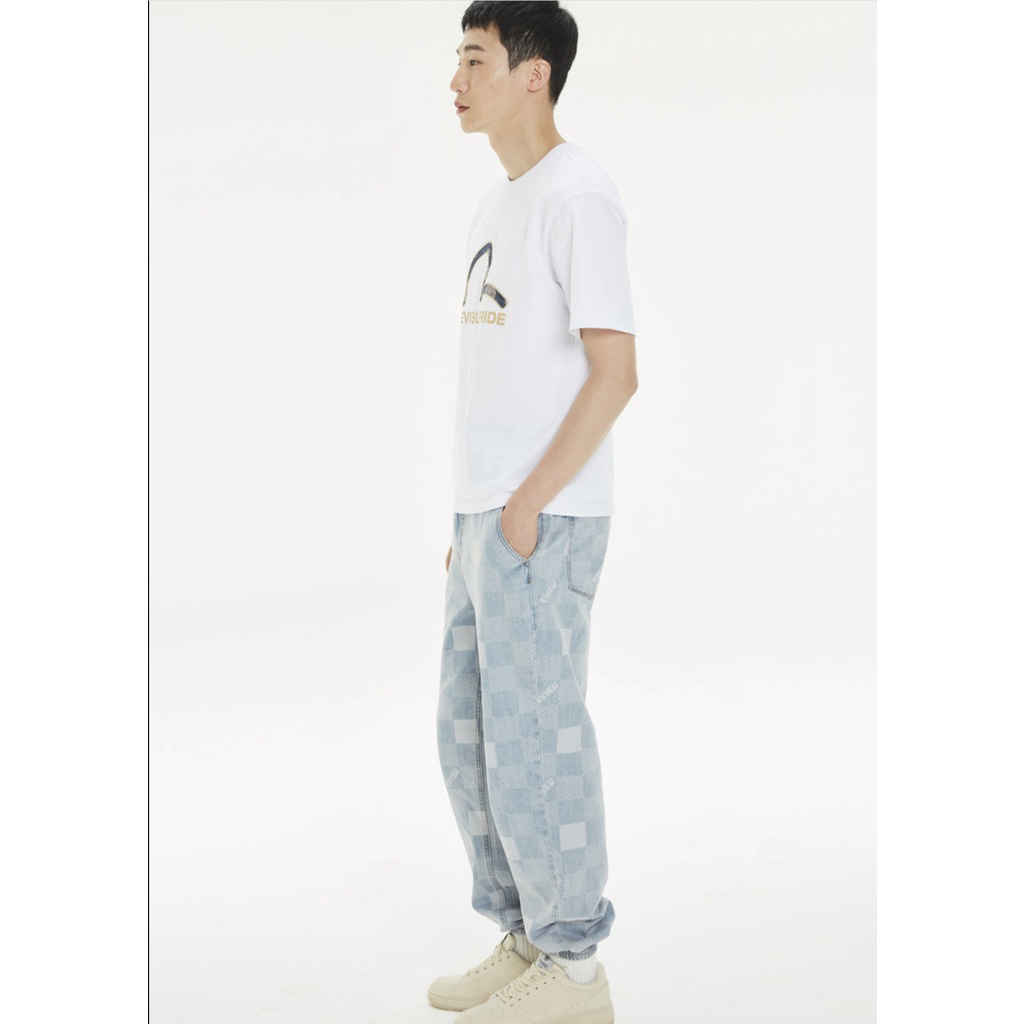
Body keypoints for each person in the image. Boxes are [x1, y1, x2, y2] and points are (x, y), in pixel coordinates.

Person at [432, 4, 637, 1021]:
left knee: (537, 738)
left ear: (533, 73)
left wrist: (525, 505)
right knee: (470, 741)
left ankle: (577, 969)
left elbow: (616, 372)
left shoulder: (578, 196)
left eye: (474, 59)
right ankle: (527, 938)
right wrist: (471, 517)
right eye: (456, 61)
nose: (455, 81)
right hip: (487, 520)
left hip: (541, 520)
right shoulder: (496, 205)